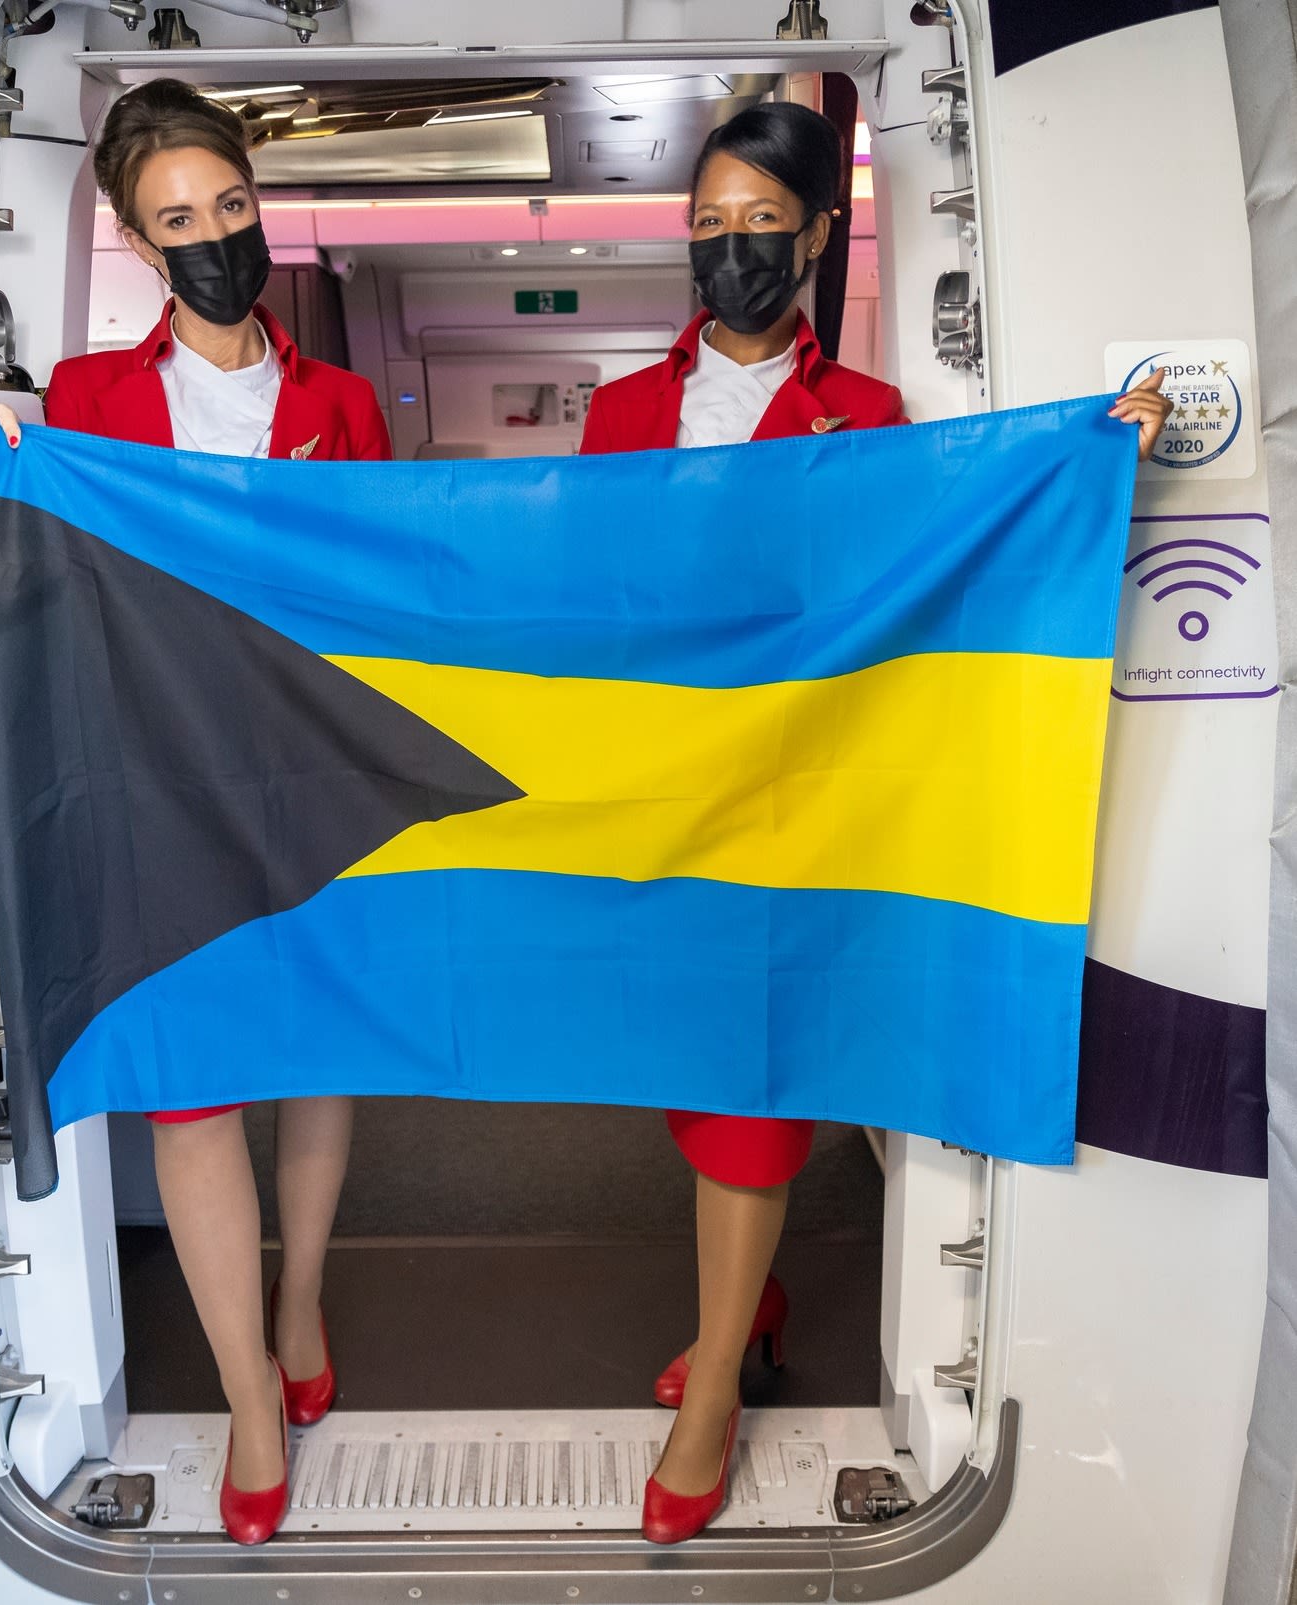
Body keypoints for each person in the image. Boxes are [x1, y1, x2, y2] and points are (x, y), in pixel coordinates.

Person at [579, 100, 1171, 1545]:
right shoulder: (615, 414)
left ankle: (714, 1376)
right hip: (660, 800)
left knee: (752, 1091)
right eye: (706, 228)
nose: (729, 252)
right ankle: (755, 1296)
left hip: (794, 804)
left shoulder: (870, 422)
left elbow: (940, 561)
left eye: (757, 227)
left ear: (816, 237)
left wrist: (1080, 454)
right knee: (691, 1079)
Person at [0, 77, 390, 1545]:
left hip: (314, 775)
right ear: (135, 240)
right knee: (194, 1084)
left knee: (312, 1055)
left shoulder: (340, 403)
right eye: (180, 221)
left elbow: (382, 593)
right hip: (157, 780)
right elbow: (43, 566)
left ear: (257, 209)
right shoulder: (87, 401)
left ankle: (296, 1301)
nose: (216, 238)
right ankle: (245, 1389)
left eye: (231, 207)